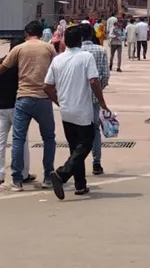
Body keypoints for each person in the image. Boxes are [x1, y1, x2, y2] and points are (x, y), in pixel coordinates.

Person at [43, 24, 110, 200]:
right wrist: (102, 102)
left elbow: (47, 86)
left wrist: (58, 101)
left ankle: (80, 185)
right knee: (86, 143)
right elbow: (94, 81)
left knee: (75, 148)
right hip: (83, 110)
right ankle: (62, 174)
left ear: (65, 40)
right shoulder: (85, 57)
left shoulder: (58, 59)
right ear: (80, 41)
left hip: (66, 111)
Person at [0, 20, 57, 190]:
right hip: (43, 98)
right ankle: (48, 176)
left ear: (26, 33)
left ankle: (17, 180)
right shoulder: (48, 48)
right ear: (41, 34)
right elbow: (56, 69)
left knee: (18, 139)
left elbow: (0, 70)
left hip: (24, 98)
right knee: (48, 138)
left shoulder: (19, 48)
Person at [0, 37, 30, 188]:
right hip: (17, 105)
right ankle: (24, 173)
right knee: (22, 140)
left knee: (0, 141)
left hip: (1, 106)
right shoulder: (21, 66)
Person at [81, 28, 110, 175]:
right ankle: (96, 162)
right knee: (95, 129)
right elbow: (105, 75)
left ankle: (76, 162)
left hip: (77, 99)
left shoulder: (76, 51)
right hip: (94, 98)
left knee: (77, 131)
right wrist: (99, 92)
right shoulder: (100, 50)